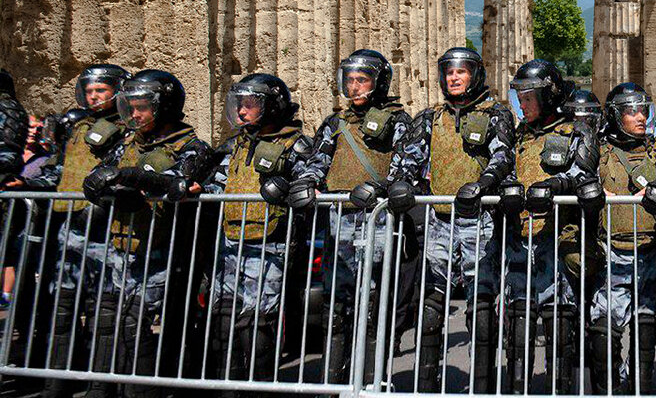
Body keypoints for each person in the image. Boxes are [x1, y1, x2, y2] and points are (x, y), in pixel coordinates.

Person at [387, 46, 515, 393]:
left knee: (482, 307)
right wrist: (399, 183)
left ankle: (482, 386)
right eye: (449, 72)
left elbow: (502, 155)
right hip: (439, 221)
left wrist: (484, 183)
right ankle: (428, 382)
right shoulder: (430, 117)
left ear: (475, 76)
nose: (454, 78)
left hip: (480, 222)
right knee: (430, 307)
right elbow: (408, 159)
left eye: (461, 72)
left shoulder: (496, 114)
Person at [82, 69, 213, 398]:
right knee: (107, 322)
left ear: (164, 107)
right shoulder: (126, 141)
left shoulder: (191, 146)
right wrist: (106, 188)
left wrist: (131, 177)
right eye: (131, 106)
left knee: (135, 325)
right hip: (120, 245)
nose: (135, 114)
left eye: (142, 107)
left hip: (161, 249)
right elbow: (99, 176)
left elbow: (176, 181)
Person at [286, 49, 413, 384]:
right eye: (350, 80)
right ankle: (334, 383)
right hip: (338, 222)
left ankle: (371, 381)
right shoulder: (335, 123)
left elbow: (405, 167)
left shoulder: (398, 121)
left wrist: (381, 187)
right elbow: (318, 161)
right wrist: (307, 183)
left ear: (378, 83)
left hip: (377, 221)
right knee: (337, 308)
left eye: (362, 80)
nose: (354, 87)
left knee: (372, 305)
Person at [203, 74, 308, 394]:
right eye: (241, 104)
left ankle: (261, 387)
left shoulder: (295, 145)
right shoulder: (235, 145)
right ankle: (228, 387)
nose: (242, 111)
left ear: (271, 107)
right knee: (223, 322)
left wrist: (289, 190)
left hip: (269, 246)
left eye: (250, 105)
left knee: (258, 325)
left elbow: (310, 184)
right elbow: (216, 184)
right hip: (230, 245)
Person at [500, 58, 596, 394]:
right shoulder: (518, 135)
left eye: (528, 98)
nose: (522, 105)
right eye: (520, 98)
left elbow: (586, 175)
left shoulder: (576, 131)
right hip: (519, 244)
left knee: (560, 336)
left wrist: (557, 185)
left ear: (549, 95)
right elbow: (504, 168)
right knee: (518, 336)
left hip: (558, 242)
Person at [41, 65, 129, 398]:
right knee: (62, 307)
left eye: (100, 91)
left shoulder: (125, 129)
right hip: (71, 227)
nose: (93, 97)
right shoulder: (77, 128)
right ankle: (56, 380)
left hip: (105, 229)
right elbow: (59, 167)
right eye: (89, 91)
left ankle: (100, 384)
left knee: (102, 312)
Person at [586, 82, 656, 394]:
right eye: (631, 111)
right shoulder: (599, 150)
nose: (639, 117)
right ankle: (608, 390)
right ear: (615, 115)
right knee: (604, 331)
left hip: (650, 249)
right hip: (611, 250)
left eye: (642, 110)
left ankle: (640, 388)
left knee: (646, 326)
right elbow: (579, 178)